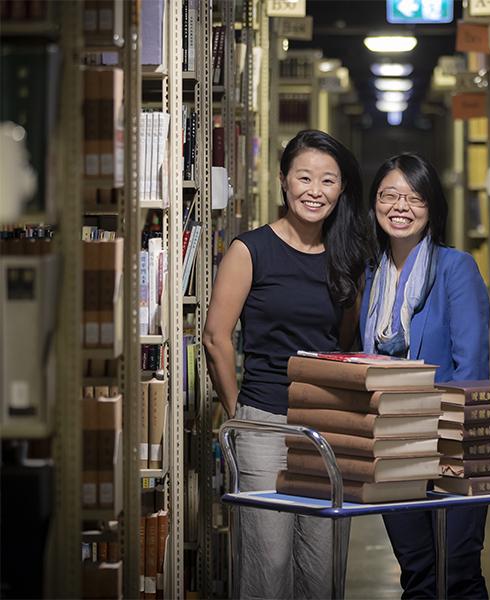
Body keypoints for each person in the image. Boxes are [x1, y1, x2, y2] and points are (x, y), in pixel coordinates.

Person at [202, 129, 372, 598]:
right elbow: (216, 336)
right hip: (264, 425)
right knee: (268, 563)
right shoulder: (249, 250)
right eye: (304, 177)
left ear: (341, 190)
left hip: (326, 427)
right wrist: (241, 411)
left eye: (328, 181)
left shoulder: (347, 258)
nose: (315, 191)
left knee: (322, 565)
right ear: (283, 182)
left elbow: (344, 341)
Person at [361, 153, 490, 599]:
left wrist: (450, 446)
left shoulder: (457, 268)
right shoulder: (371, 275)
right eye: (389, 195)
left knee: (458, 573)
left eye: (414, 198)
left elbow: (471, 367)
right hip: (392, 447)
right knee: (416, 572)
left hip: (451, 443)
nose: (401, 206)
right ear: (374, 204)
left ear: (432, 207)